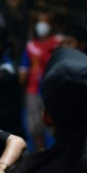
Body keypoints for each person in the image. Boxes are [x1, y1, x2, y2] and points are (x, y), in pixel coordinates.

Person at [18, 11, 60, 151]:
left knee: (55, 126)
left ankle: (56, 157)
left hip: (54, 90)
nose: (42, 25)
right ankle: (42, 155)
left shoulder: (58, 44)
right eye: (39, 21)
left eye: (46, 21)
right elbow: (24, 70)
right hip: (33, 91)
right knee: (35, 128)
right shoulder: (31, 46)